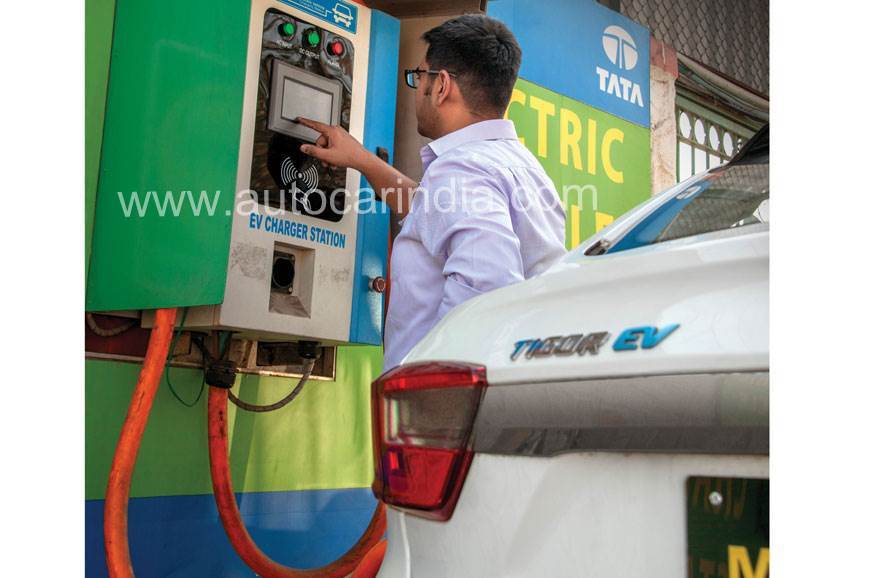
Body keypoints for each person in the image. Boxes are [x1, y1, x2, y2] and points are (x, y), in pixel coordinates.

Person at [296, 14, 566, 370]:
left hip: (444, 409)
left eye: (417, 76)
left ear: (441, 85)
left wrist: (431, 384)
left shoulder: (461, 170)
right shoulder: (523, 168)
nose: (416, 88)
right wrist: (364, 161)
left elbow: (486, 287)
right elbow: (437, 210)